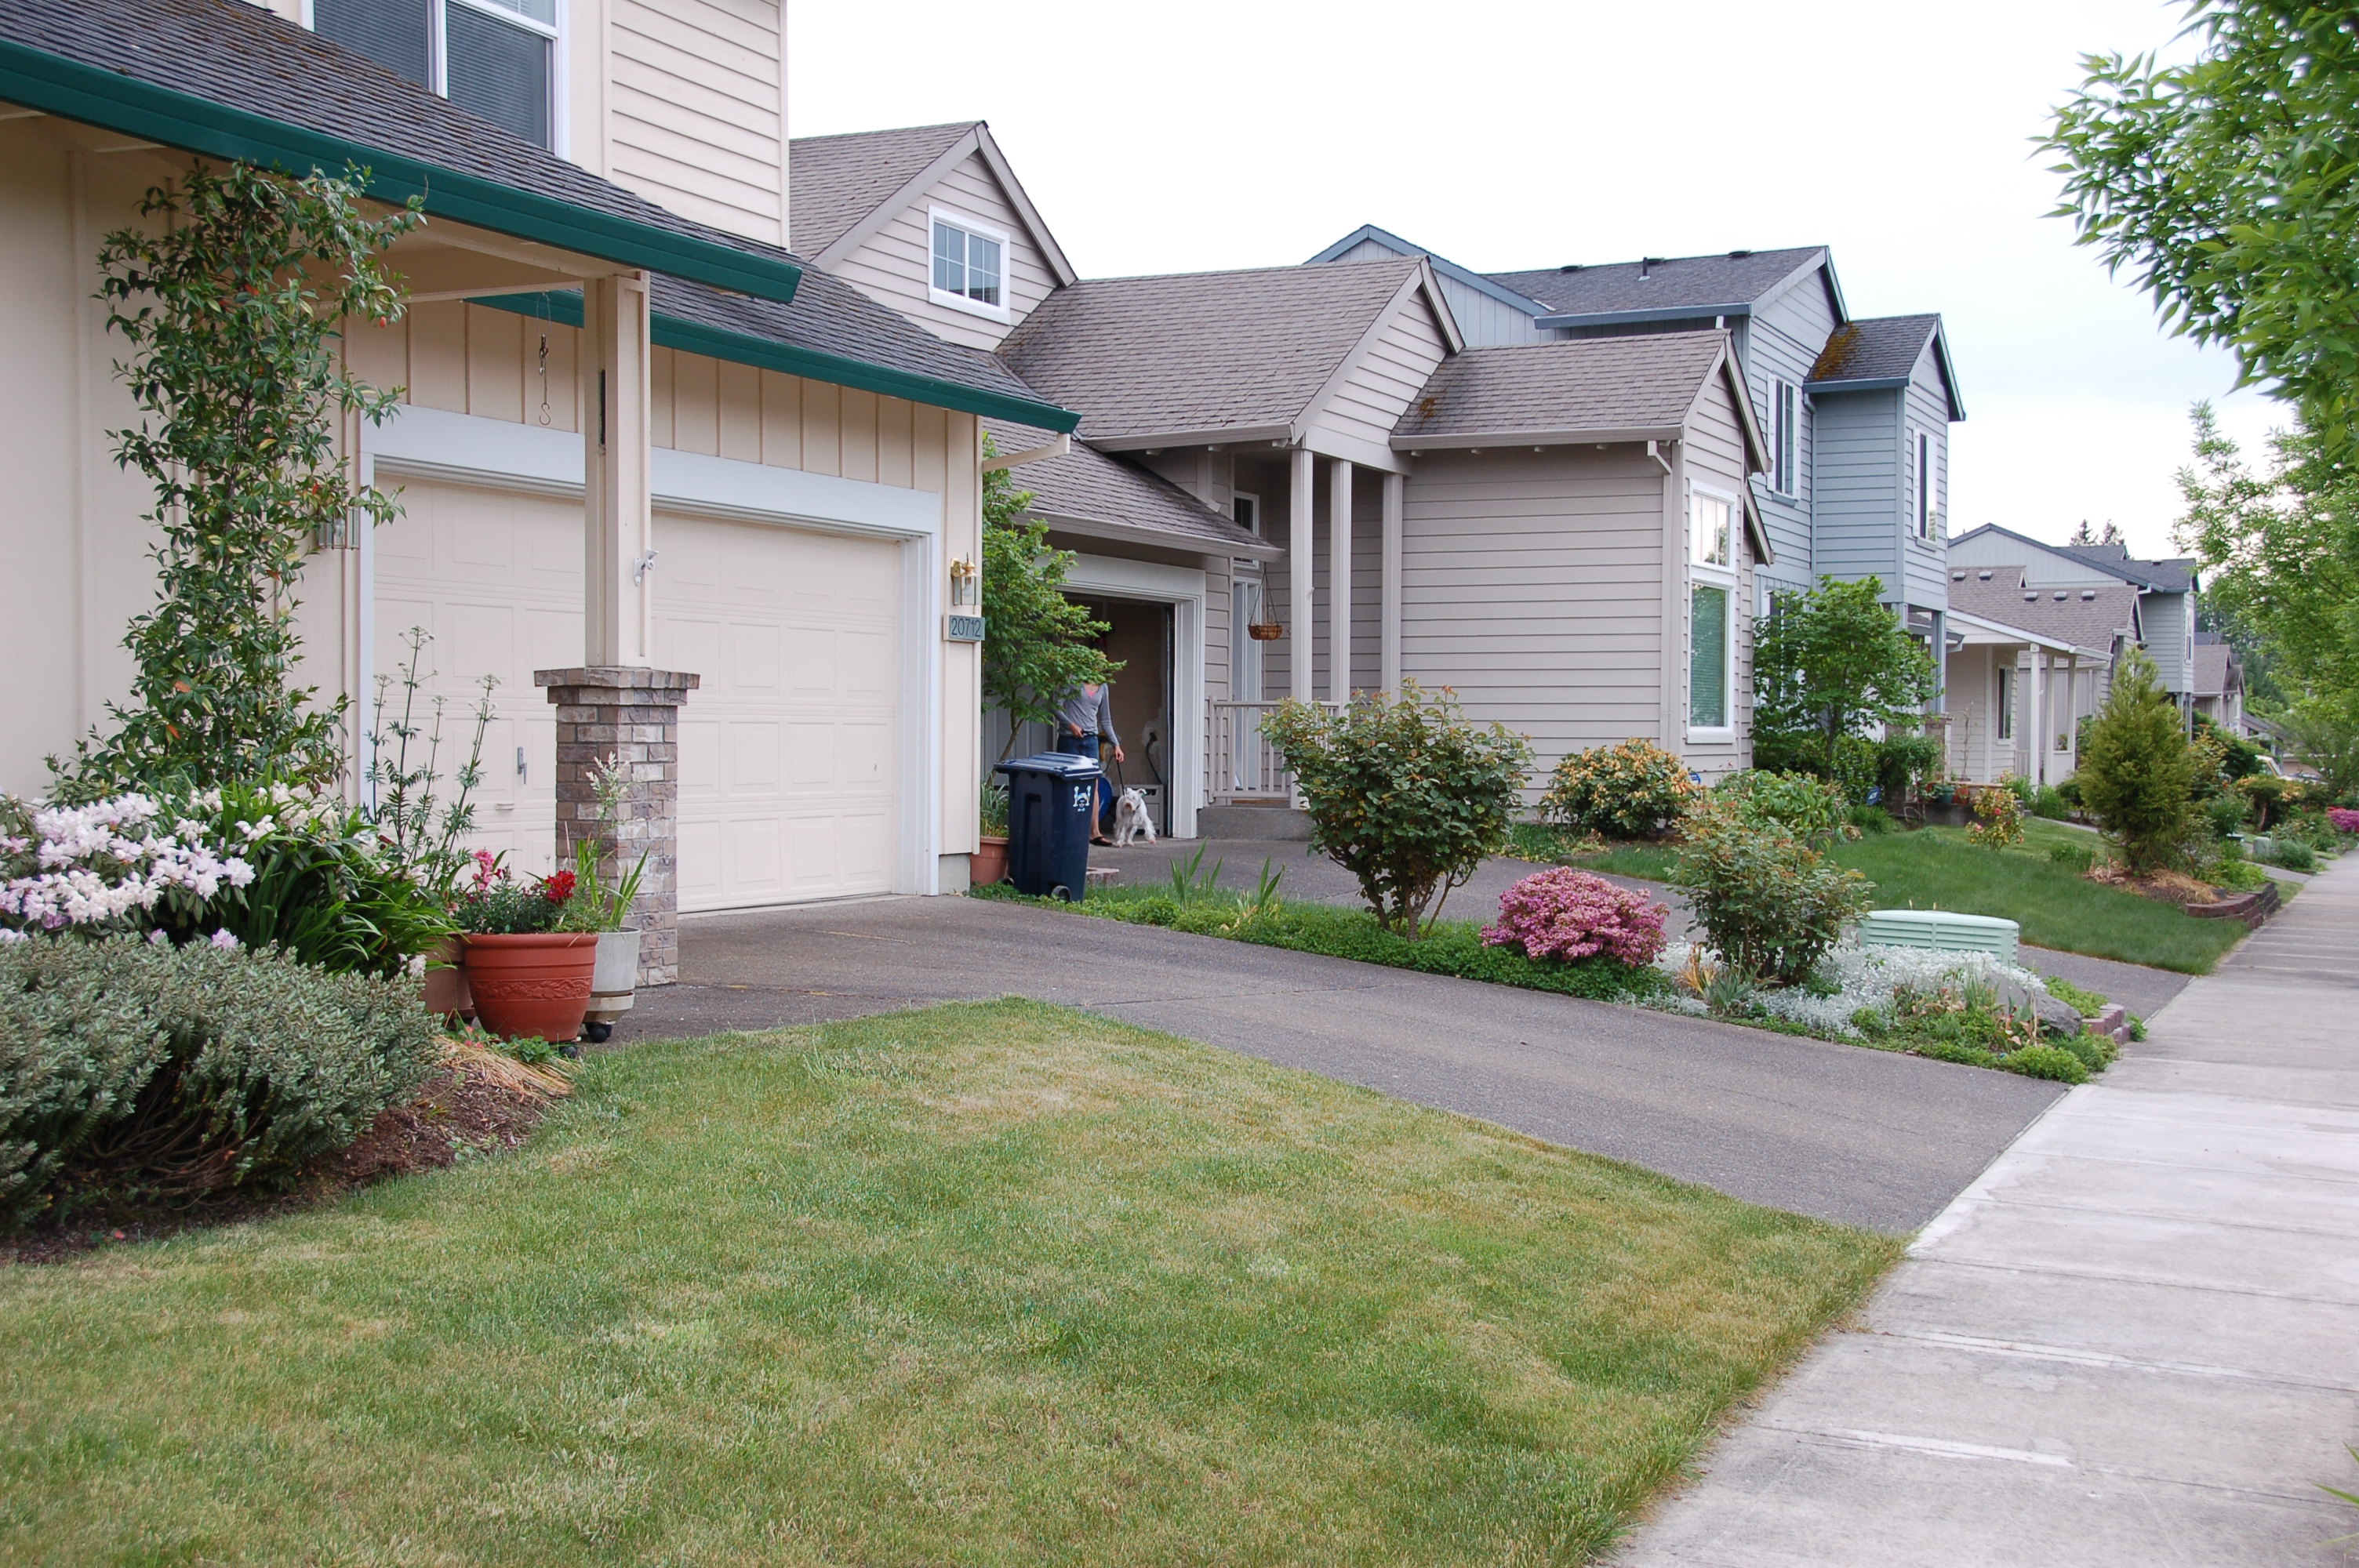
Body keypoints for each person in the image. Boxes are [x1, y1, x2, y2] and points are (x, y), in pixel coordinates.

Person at [1054, 679, 1124, 844]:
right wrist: (1070, 725)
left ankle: (1095, 833)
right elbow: (1055, 707)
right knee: (1068, 785)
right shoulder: (1072, 680)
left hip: (1091, 740)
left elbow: (1105, 720)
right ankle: (1068, 830)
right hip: (1069, 739)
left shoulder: (1103, 687)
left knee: (1094, 784)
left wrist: (1116, 745)